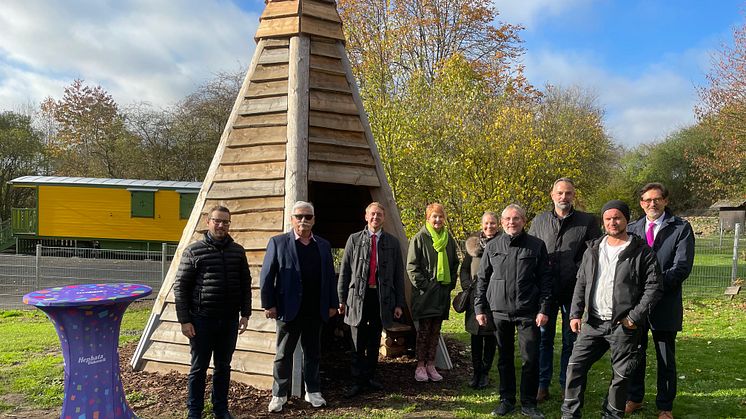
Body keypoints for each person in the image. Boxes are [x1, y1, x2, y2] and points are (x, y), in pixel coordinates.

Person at [561, 200, 662, 419]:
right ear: (603, 221)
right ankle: (569, 414)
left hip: (623, 326)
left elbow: (654, 287)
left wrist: (634, 317)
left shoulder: (641, 251)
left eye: (617, 218)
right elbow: (581, 282)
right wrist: (575, 313)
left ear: (626, 219)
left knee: (620, 376)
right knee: (575, 367)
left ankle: (612, 416)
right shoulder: (593, 249)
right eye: (608, 218)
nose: (612, 222)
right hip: (593, 323)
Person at [260, 201, 338, 413]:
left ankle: (312, 390)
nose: (303, 220)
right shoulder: (278, 242)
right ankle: (279, 394)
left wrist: (333, 303)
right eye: (299, 216)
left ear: (314, 220)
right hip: (288, 308)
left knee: (313, 353)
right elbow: (267, 276)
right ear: (291, 219)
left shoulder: (323, 245)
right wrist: (268, 304)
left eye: (308, 217)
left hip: (315, 309)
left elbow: (330, 277)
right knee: (283, 354)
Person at [174, 205, 251, 419]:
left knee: (223, 367)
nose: (221, 225)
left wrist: (245, 313)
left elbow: (246, 283)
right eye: (217, 221)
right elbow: (180, 286)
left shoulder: (237, 251)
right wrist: (184, 320)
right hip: (201, 320)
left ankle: (220, 409)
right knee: (199, 368)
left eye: (225, 222)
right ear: (208, 222)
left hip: (228, 321)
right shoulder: (194, 251)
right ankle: (194, 411)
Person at [625, 183, 695, 419]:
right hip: (637, 305)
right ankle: (634, 398)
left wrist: (654, 288)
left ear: (665, 200)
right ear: (641, 203)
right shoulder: (633, 228)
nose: (651, 204)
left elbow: (682, 267)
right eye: (646, 200)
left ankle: (665, 406)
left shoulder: (681, 228)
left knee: (665, 357)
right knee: (635, 353)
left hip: (665, 303)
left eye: (656, 199)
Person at [475, 204, 551, 419]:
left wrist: (544, 309)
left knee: (531, 358)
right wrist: (480, 307)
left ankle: (528, 402)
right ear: (501, 222)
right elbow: (482, 278)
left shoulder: (536, 246)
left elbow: (546, 279)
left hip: (528, 311)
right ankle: (506, 400)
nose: (511, 222)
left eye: (516, 218)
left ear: (524, 221)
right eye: (507, 218)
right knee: (504, 358)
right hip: (499, 311)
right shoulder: (493, 246)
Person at [528, 178, 602, 401]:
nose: (564, 197)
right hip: (546, 291)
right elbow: (532, 253)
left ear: (573, 196)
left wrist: (580, 273)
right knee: (543, 339)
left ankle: (566, 383)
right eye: (560, 193)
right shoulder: (539, 221)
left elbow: (594, 253)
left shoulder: (587, 221)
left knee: (571, 339)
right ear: (552, 195)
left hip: (574, 290)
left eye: (568, 193)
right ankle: (542, 384)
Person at [338, 202, 406, 397]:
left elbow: (398, 276)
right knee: (356, 339)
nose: (376, 217)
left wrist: (399, 303)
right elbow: (345, 271)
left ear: (384, 218)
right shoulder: (354, 239)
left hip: (381, 297)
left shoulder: (392, 243)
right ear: (366, 216)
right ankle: (357, 380)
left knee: (374, 338)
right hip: (358, 296)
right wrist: (341, 299)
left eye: (379, 215)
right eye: (372, 214)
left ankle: (369, 377)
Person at [407, 203, 459, 382]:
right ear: (427, 218)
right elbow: (412, 267)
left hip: (442, 294)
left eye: (440, 216)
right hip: (425, 295)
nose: (438, 220)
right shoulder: (419, 238)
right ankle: (420, 366)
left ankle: (431, 364)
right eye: (434, 216)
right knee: (424, 332)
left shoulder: (448, 239)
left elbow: (454, 264)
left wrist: (450, 284)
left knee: (436, 331)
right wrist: (427, 286)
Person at [459, 211, 499, 389]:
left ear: (497, 224)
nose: (489, 227)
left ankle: (485, 372)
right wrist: (468, 285)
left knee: (490, 336)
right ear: (481, 225)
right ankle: (476, 372)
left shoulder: (502, 243)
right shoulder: (472, 245)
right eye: (486, 223)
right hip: (475, 296)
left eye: (492, 223)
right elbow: (464, 269)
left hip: (494, 297)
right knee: (475, 336)